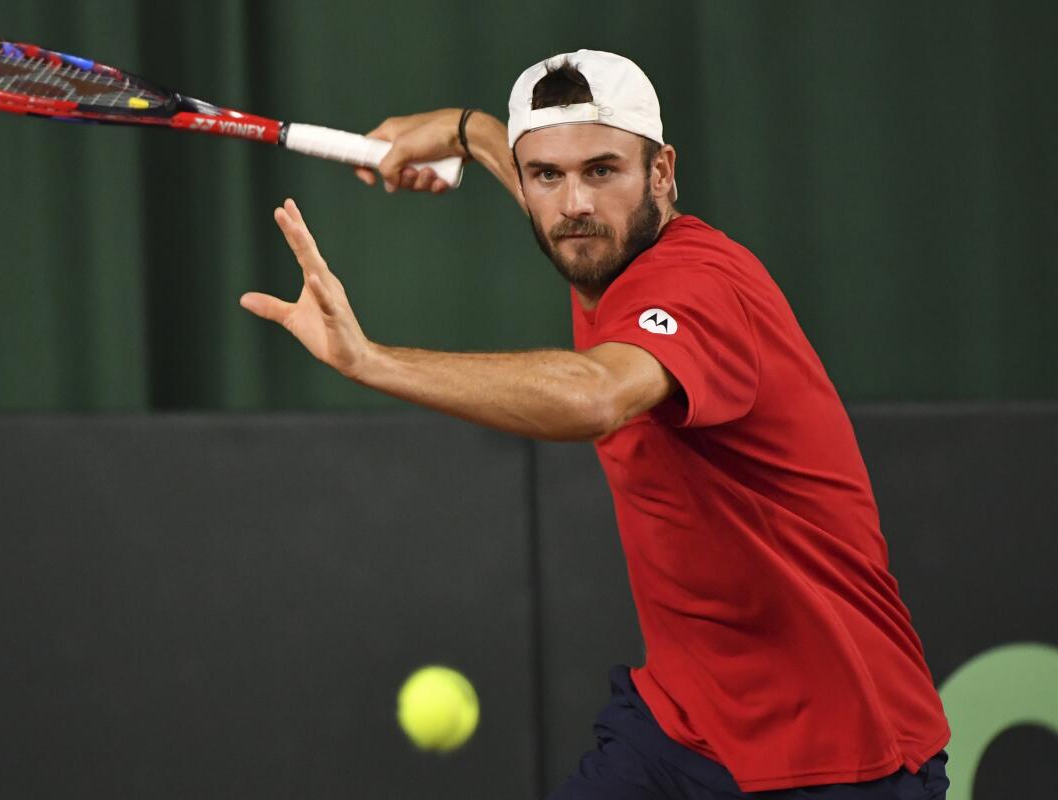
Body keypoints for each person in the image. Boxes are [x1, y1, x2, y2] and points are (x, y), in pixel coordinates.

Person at [240, 50, 951, 799]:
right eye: (545, 174)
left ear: (663, 174)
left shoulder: (698, 284)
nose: (573, 202)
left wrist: (370, 361)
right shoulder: (597, 239)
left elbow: (596, 397)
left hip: (840, 749)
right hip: (681, 726)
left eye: (602, 170)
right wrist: (465, 130)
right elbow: (557, 196)